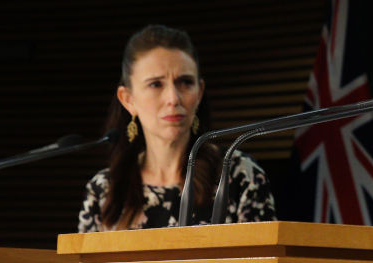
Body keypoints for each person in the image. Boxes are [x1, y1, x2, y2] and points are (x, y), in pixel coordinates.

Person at [78, 24, 276, 231]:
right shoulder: (104, 189)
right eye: (156, 84)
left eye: (185, 82)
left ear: (199, 93)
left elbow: (263, 262)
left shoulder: (239, 175)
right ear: (128, 100)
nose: (173, 98)